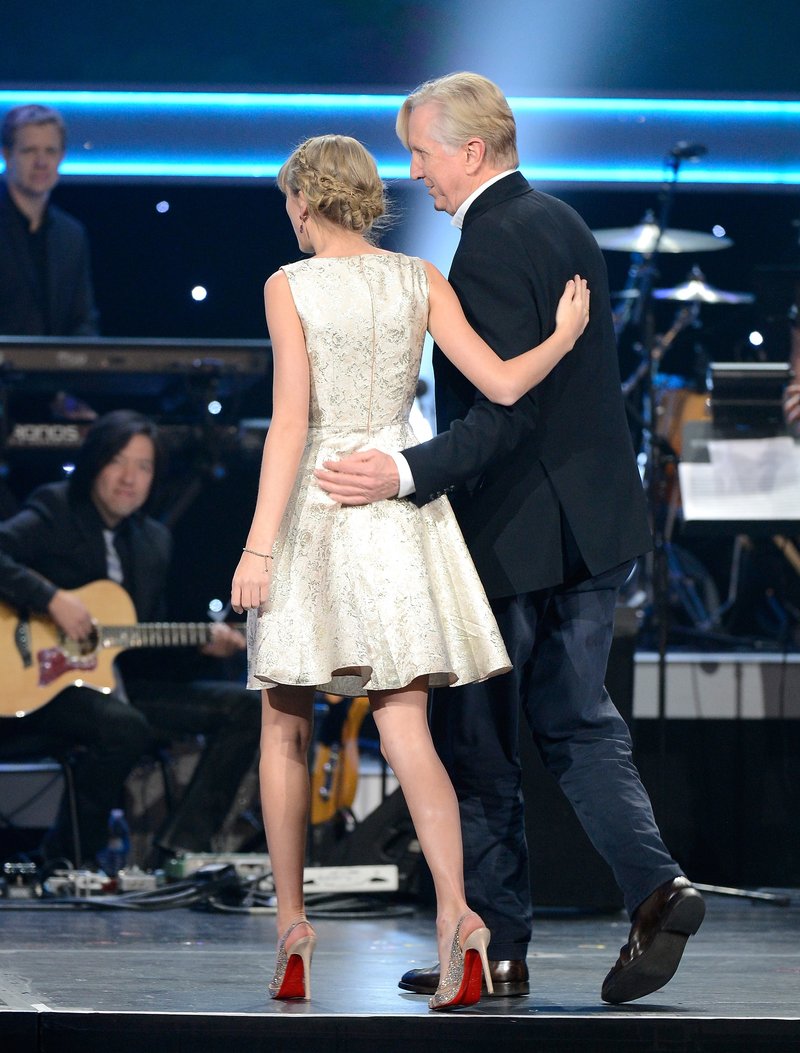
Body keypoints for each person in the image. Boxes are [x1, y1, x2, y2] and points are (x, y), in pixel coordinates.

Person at [314, 72, 706, 1006]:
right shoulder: (565, 222)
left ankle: (494, 945)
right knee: (576, 719)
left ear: (471, 150)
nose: (415, 173)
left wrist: (400, 473)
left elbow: (504, 415)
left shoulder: (487, 243)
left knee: (479, 743)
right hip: (597, 527)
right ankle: (656, 887)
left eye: (422, 153)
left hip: (516, 535)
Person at [230, 133, 590, 1009]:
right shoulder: (418, 277)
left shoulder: (288, 284)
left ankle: (293, 926)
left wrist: (258, 546)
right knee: (408, 730)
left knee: (285, 725)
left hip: (318, 505)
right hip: (397, 507)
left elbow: (290, 423)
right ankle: (459, 916)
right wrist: (563, 336)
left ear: (304, 202)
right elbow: (503, 384)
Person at [0, 410, 260, 867]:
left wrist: (202, 650)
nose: (129, 479)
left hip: (116, 685)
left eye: (143, 467)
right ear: (95, 463)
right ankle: (67, 861)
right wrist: (51, 599)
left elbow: (143, 650)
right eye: (118, 462)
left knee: (248, 707)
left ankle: (179, 849)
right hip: (43, 686)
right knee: (123, 727)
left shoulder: (153, 541)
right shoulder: (56, 510)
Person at [0, 104, 99, 336]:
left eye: (50, 151)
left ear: (61, 157)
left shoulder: (71, 235)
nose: (41, 162)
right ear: (7, 155)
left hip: (56, 361)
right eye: (30, 151)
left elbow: (82, 319)